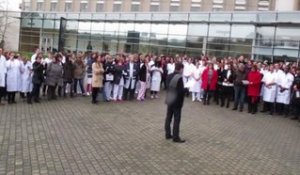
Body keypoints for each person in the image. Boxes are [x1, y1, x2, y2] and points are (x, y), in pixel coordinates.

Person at [164, 63, 186, 143]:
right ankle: (175, 137)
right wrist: (186, 90)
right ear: (180, 69)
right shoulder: (179, 78)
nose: (183, 71)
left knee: (168, 117)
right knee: (177, 119)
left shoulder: (169, 75)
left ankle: (167, 134)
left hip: (170, 98)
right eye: (183, 69)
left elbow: (167, 87)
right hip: (177, 101)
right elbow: (180, 91)